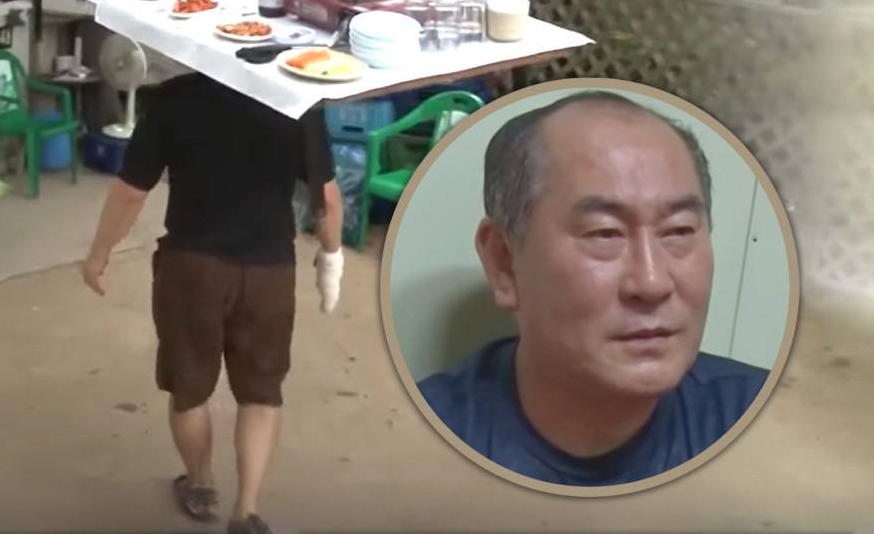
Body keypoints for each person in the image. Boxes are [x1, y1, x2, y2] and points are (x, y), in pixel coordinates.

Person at [417, 90, 771, 487]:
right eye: (605, 233)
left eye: (678, 231)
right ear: (504, 263)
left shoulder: (767, 422)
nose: (652, 282)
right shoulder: (414, 448)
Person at [81, 72, 345, 534]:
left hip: (191, 268)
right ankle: (247, 511)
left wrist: (100, 252)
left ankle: (200, 484)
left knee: (190, 386)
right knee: (262, 393)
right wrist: (331, 258)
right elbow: (326, 197)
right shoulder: (297, 100)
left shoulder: (173, 98)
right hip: (269, 271)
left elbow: (131, 191)